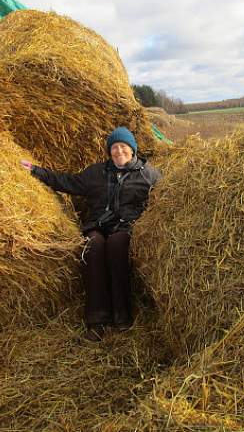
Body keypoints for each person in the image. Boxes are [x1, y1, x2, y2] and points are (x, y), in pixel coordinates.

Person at [20, 127, 162, 342]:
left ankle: (122, 314)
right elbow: (65, 181)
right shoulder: (95, 172)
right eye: (114, 147)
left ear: (132, 149)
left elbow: (167, 195)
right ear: (109, 151)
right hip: (98, 225)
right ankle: (96, 319)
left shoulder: (148, 174)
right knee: (92, 246)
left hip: (126, 228)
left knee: (116, 245)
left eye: (123, 146)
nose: (119, 151)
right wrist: (35, 171)